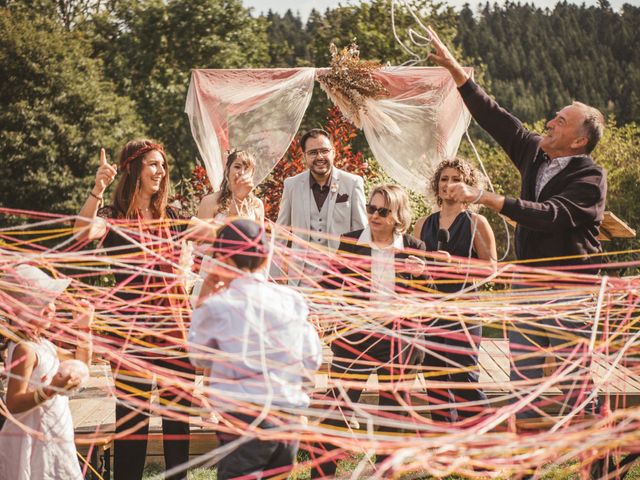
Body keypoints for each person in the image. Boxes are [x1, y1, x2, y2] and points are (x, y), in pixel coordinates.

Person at [426, 27, 606, 420]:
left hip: (570, 287)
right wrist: (456, 71)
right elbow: (497, 118)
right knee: (522, 373)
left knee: (574, 376)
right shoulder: (535, 153)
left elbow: (552, 216)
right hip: (527, 282)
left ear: (577, 142)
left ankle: (595, 448)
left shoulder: (590, 178)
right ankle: (525, 453)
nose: (550, 122)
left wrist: (489, 199)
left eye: (560, 121)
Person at [74, 140, 193, 480]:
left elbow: (205, 238)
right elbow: (81, 232)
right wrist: (97, 188)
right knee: (132, 425)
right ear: (134, 169)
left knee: (177, 427)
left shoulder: (171, 217)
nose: (161, 171)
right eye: (153, 164)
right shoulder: (114, 219)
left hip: (174, 333)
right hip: (132, 336)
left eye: (163, 165)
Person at [188, 218, 322, 480]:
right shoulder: (291, 300)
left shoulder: (219, 306)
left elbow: (198, 356)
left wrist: (203, 299)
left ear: (223, 259)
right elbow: (312, 359)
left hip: (244, 422)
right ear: (264, 259)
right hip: (288, 420)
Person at [311, 184, 428, 478]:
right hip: (355, 337)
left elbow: (429, 299)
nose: (374, 215)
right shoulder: (350, 243)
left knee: (393, 416)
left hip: (398, 342)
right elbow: (329, 284)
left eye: (382, 211)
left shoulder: (414, 248)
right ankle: (321, 475)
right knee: (338, 410)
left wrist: (422, 275)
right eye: (371, 208)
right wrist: (321, 313)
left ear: (397, 215)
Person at [413, 158, 497, 424]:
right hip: (428, 311)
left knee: (464, 377)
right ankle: (444, 444)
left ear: (468, 186)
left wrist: (457, 266)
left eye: (456, 179)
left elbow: (492, 268)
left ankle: (475, 441)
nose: (448, 185)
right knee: (433, 377)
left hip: (463, 311)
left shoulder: (476, 222)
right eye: (444, 179)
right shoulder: (422, 223)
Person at [0, 264, 94, 480]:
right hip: (34, 440)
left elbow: (82, 362)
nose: (52, 308)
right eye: (43, 303)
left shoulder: (44, 344)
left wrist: (85, 329)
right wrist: (51, 390)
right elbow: (13, 403)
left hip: (54, 432)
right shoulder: (24, 349)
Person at [274, 128, 367, 285]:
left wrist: (360, 280)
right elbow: (280, 234)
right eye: (313, 152)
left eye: (324, 151)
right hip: (301, 278)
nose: (320, 157)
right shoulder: (291, 185)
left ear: (334, 152)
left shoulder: (352, 183)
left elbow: (362, 234)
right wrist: (274, 280)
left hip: (340, 278)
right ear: (304, 156)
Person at [195, 149, 264, 224]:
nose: (242, 172)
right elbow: (201, 234)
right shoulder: (209, 201)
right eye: (237, 167)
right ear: (227, 170)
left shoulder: (257, 204)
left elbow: (260, 235)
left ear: (252, 174)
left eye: (246, 169)